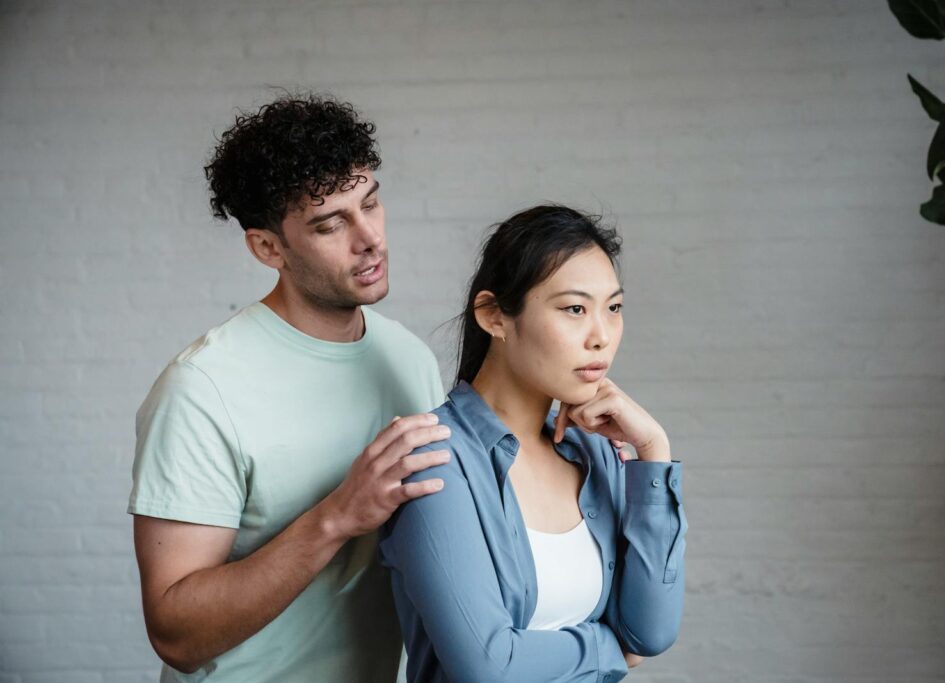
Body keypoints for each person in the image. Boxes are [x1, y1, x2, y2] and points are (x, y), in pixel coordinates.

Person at [128, 94, 451, 682]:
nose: (370, 238)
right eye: (331, 224)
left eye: (370, 204)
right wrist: (336, 517)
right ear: (268, 247)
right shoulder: (202, 389)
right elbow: (175, 634)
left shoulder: (408, 359)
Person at [379, 205, 687, 682]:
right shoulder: (434, 460)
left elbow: (651, 633)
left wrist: (653, 450)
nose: (601, 337)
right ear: (494, 316)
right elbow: (489, 668)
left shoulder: (594, 452)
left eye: (614, 308)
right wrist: (609, 648)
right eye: (574, 309)